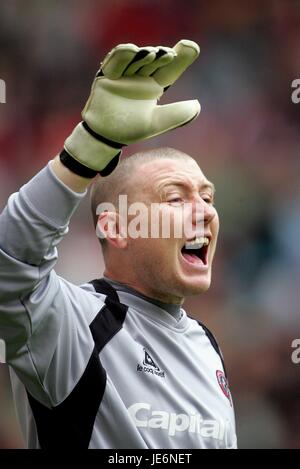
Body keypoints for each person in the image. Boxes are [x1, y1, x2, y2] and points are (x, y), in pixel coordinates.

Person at [0, 40, 237, 449]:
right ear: (117, 228)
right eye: (176, 198)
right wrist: (88, 148)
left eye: (208, 197)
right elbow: (10, 260)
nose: (205, 212)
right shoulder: (70, 325)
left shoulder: (206, 345)